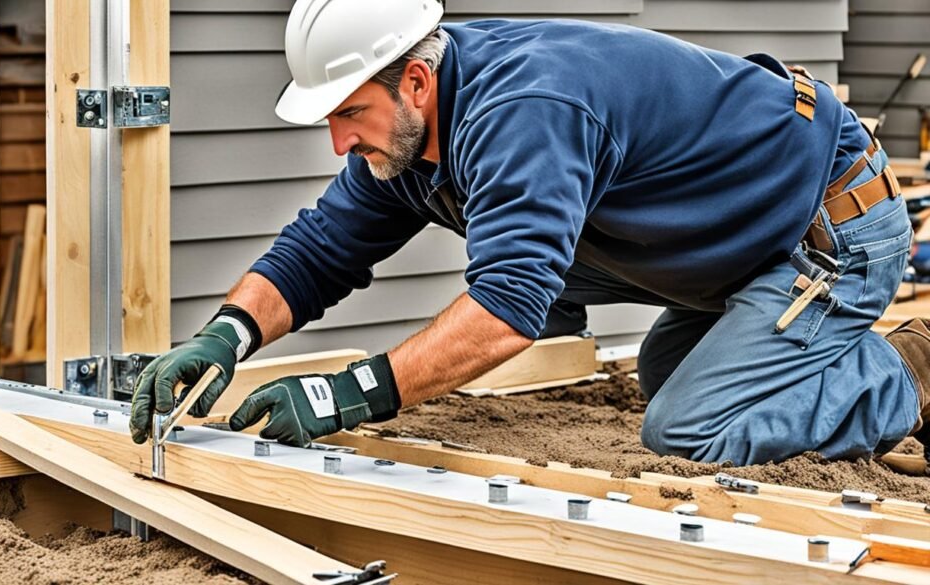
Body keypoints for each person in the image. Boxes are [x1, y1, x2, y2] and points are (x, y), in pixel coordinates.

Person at [129, 0, 929, 467]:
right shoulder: (408, 132)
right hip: (736, 234)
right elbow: (321, 249)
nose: (340, 142)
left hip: (825, 230)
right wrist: (225, 337)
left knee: (689, 424)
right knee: (662, 368)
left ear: (413, 80)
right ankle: (798, 349)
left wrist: (348, 391)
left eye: (348, 114)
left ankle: (908, 368)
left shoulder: (524, 113)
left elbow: (508, 306)